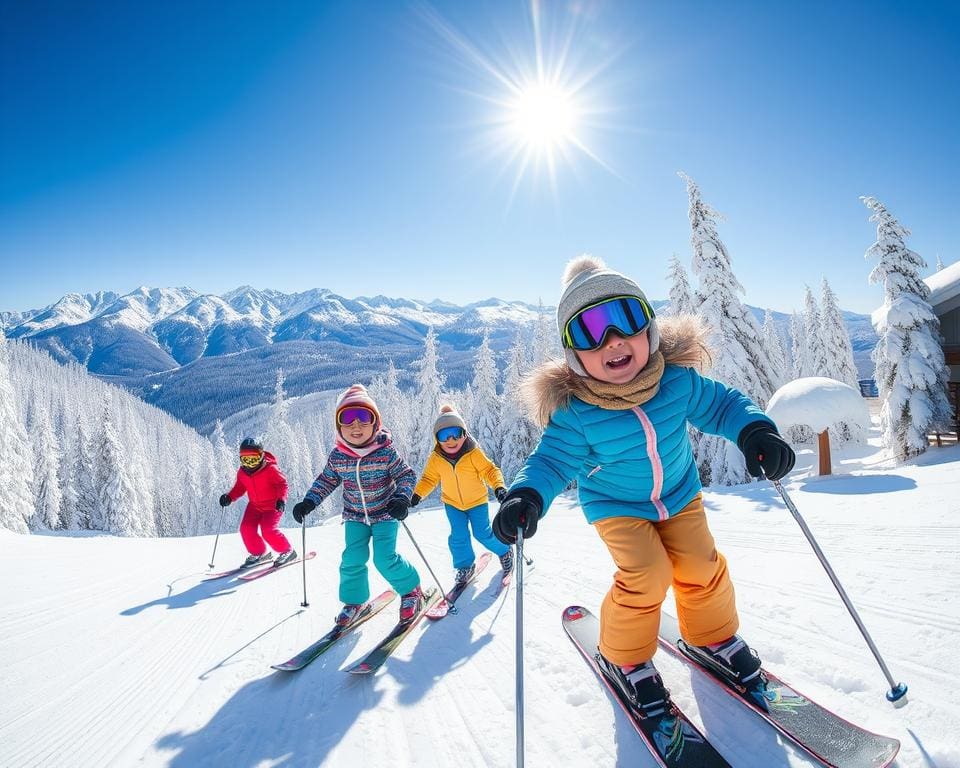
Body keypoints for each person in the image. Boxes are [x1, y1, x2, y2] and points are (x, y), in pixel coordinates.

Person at [492, 255, 795, 714]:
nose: (612, 340)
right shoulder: (576, 413)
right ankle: (624, 658)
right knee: (647, 575)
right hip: (617, 506)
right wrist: (526, 496)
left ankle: (712, 637)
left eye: (625, 319)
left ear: (649, 329)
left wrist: (753, 430)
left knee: (700, 564)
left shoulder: (676, 382)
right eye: (589, 331)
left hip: (680, 493)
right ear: (574, 355)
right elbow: (550, 462)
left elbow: (723, 406)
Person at [291, 385, 425, 624]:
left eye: (363, 417)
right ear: (339, 426)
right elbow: (326, 480)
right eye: (347, 418)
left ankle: (411, 590)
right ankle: (355, 601)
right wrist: (309, 501)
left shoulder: (385, 452)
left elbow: (406, 475)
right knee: (352, 558)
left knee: (384, 558)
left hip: (385, 514)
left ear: (375, 423)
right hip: (355, 516)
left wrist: (402, 498)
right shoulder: (338, 456)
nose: (355, 425)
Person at [410, 405, 513, 584]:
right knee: (458, 536)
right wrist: (417, 495)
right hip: (453, 504)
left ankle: (504, 551)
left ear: (464, 434)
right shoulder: (436, 458)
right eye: (444, 435)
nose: (450, 440)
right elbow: (429, 479)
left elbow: (490, 470)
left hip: (477, 502)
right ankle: (465, 566)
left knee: (483, 534)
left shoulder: (473, 453)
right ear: (437, 439)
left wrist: (498, 487)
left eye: (455, 433)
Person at [219, 437, 297, 568]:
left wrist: (281, 500)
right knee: (246, 529)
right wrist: (229, 497)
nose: (249, 464)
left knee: (268, 530)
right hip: (254, 506)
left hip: (272, 506)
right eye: (245, 460)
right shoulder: (242, 472)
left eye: (253, 459)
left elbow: (282, 484)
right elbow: (239, 488)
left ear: (261, 457)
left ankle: (288, 551)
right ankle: (258, 553)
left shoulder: (270, 469)